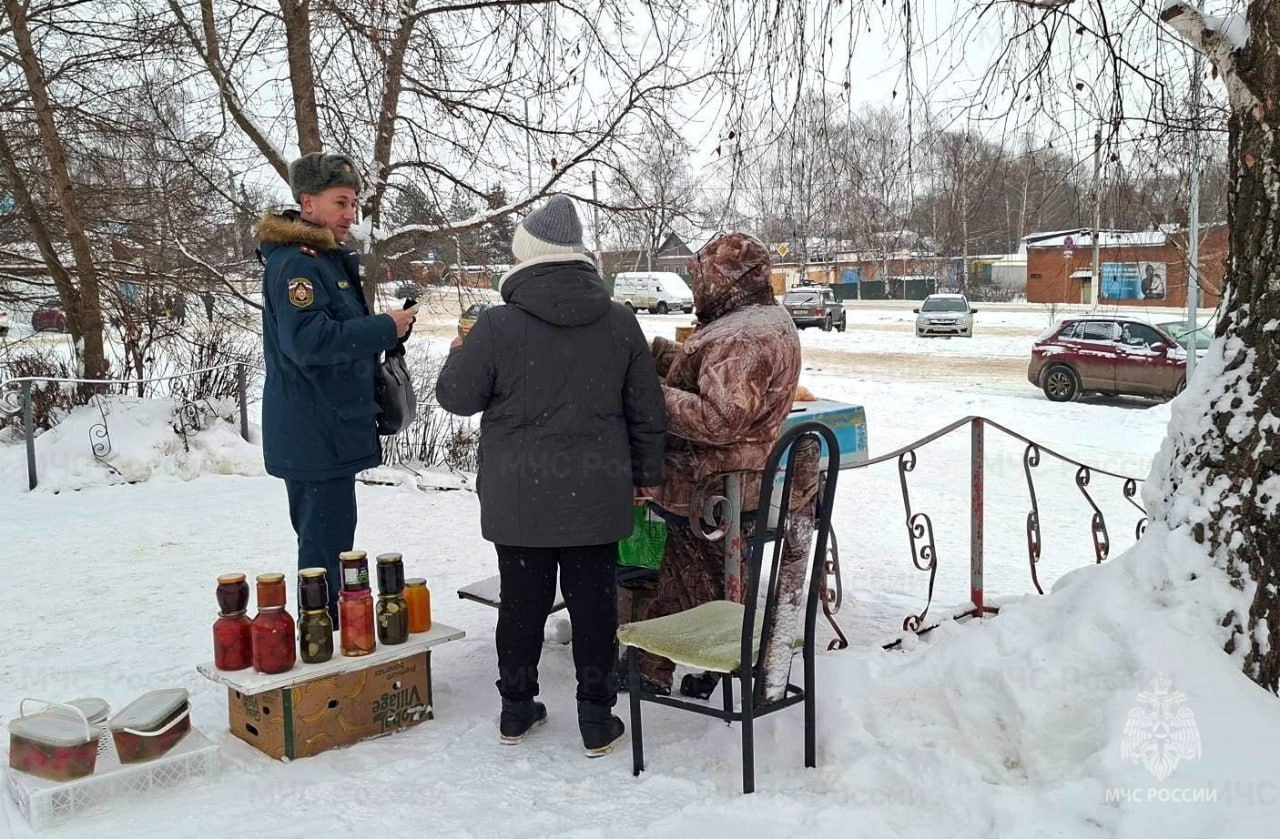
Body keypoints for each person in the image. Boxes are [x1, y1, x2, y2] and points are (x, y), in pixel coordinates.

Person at [435, 195, 666, 757]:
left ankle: (516, 710)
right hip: (597, 490)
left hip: (520, 496)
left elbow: (456, 397)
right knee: (594, 606)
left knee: (521, 603)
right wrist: (646, 476)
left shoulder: (496, 325)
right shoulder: (619, 320)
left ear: (528, 258)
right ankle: (596, 718)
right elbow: (646, 408)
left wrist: (458, 352)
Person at [634, 232, 802, 697]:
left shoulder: (742, 336)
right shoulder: (758, 319)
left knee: (699, 579)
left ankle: (703, 664)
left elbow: (719, 418)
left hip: (711, 484)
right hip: (733, 481)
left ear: (725, 279)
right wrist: (661, 354)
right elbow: (714, 375)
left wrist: (650, 394)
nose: (697, 287)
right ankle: (673, 667)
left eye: (702, 277)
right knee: (693, 573)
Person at [257, 151, 416, 625]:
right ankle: (321, 638)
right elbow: (308, 341)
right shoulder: (298, 264)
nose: (350, 214)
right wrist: (383, 327)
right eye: (340, 203)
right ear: (308, 203)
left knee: (331, 544)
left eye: (353, 204)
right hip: (314, 433)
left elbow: (334, 333)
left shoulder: (324, 260)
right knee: (324, 552)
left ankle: (328, 632)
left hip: (326, 429)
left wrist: (389, 330)